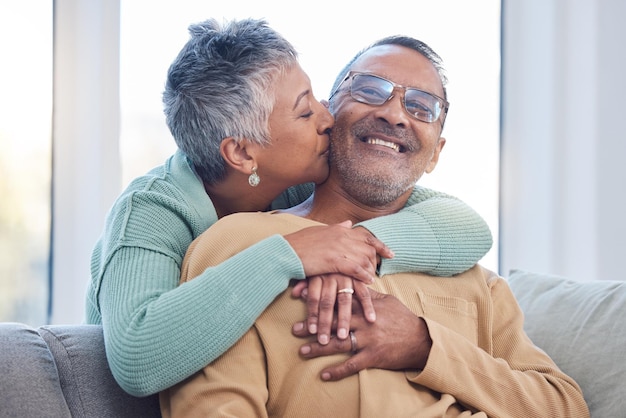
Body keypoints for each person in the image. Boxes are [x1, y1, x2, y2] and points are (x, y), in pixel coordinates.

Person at [161, 36, 589, 417]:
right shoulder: (237, 244)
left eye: (422, 106)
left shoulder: (480, 285)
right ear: (328, 113)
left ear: (435, 153)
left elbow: (564, 406)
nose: (395, 114)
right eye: (370, 89)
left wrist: (426, 345)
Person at [85, 18, 493, 397]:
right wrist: (292, 254)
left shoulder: (292, 180)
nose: (327, 118)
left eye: (317, 97)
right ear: (243, 153)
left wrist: (355, 245)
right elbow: (136, 356)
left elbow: (468, 226)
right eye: (304, 110)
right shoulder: (151, 211)